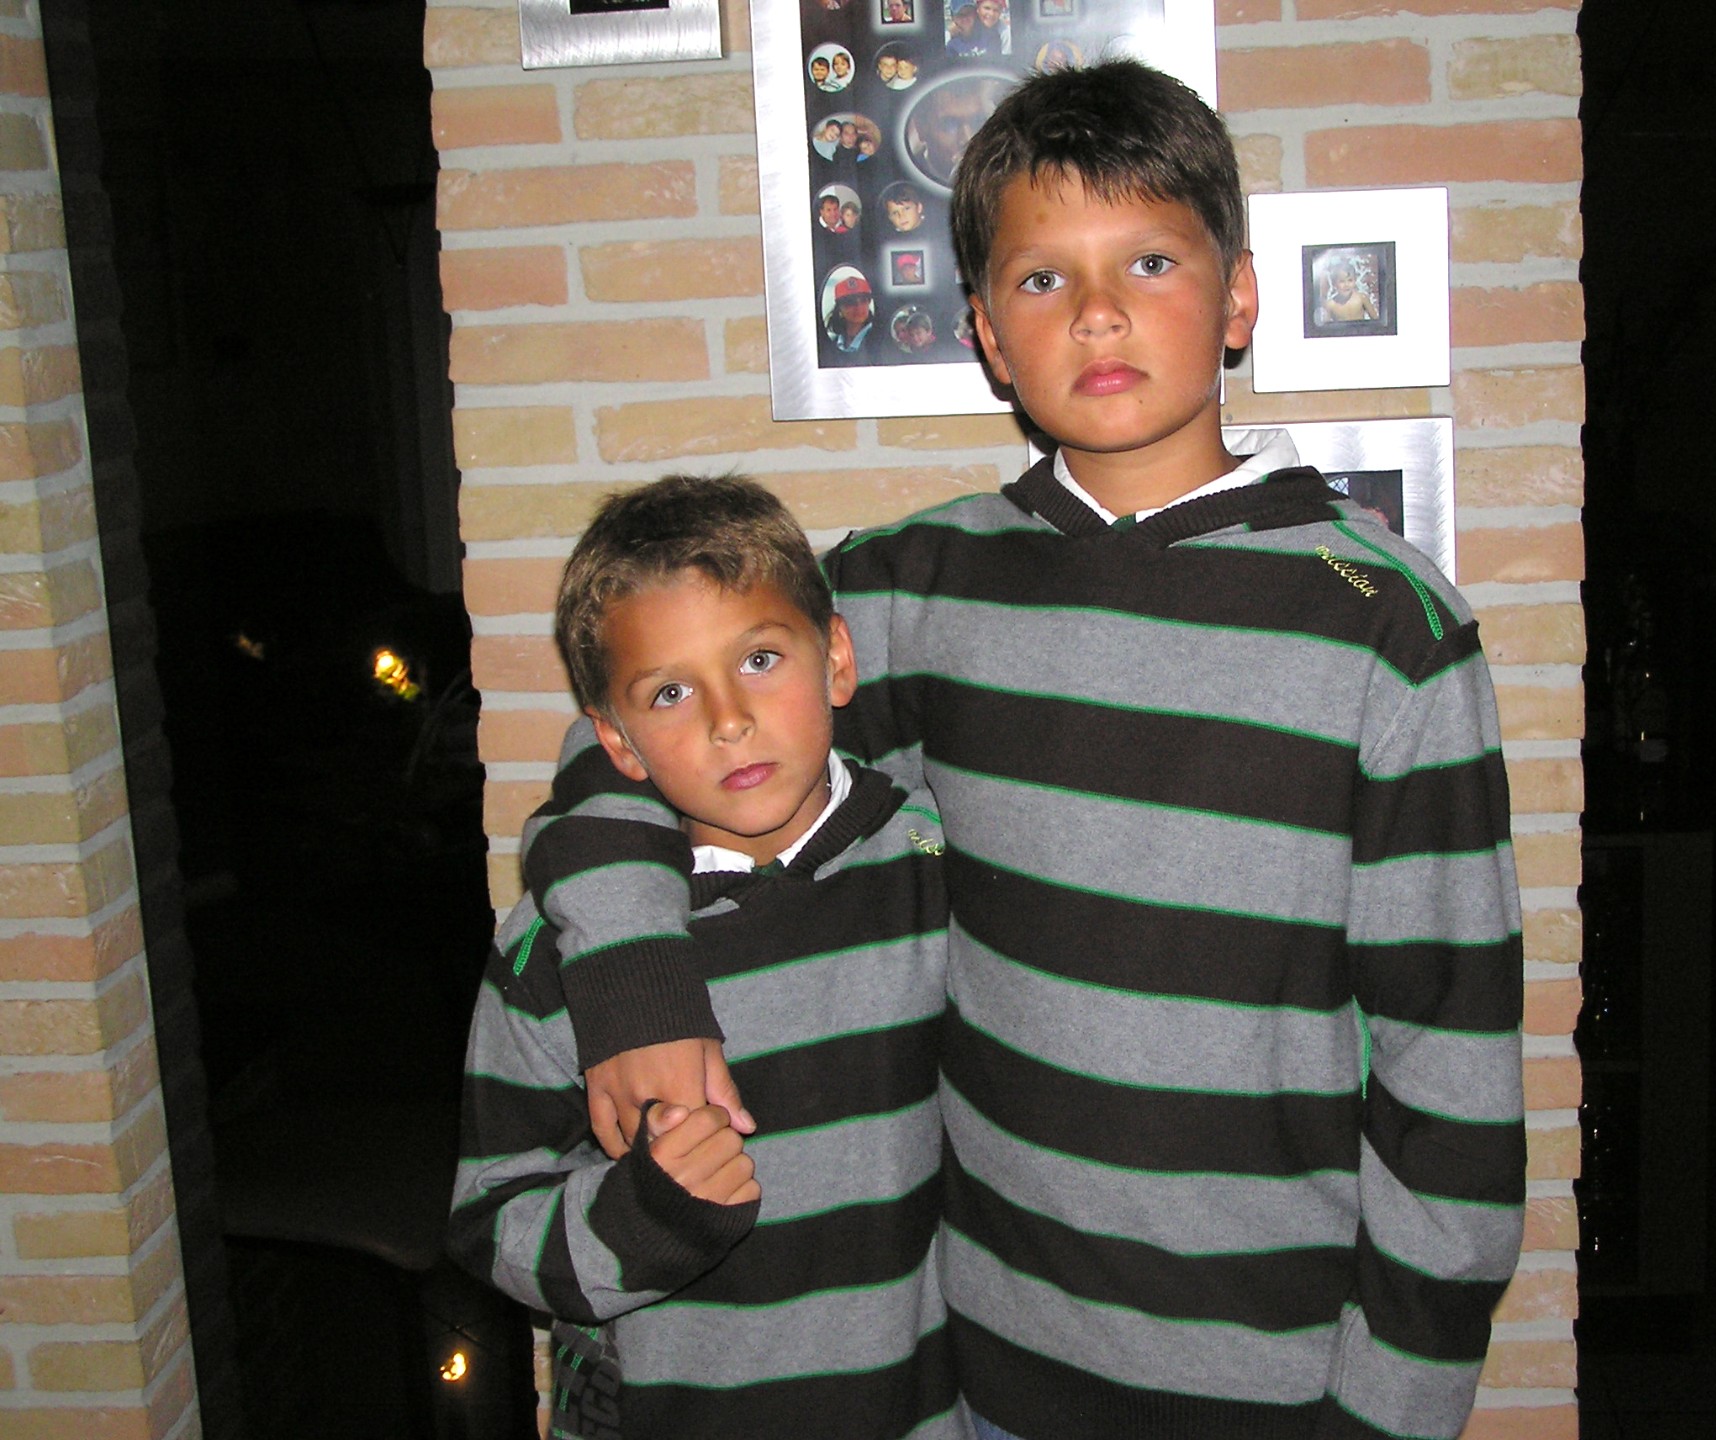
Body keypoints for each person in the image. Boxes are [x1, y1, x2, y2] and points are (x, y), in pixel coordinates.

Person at [575, 57, 1525, 1440]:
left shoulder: (1387, 630)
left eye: (1149, 260)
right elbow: (637, 729)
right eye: (1040, 279)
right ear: (986, 335)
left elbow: (1452, 1071)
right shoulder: (915, 589)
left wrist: (1393, 1413)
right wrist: (635, 983)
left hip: (1275, 1387)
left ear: (1239, 297)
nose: (1096, 312)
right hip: (991, 1376)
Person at [447, 476, 963, 1440]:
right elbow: (491, 1220)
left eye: (761, 659)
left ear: (836, 659)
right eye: (671, 693)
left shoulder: (936, 862)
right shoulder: (558, 950)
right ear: (617, 741)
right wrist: (646, 1219)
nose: (728, 719)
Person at [826, 273, 874, 351]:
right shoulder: (832, 343)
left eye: (863, 300)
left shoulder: (879, 338)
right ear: (839, 308)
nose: (859, 307)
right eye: (850, 302)